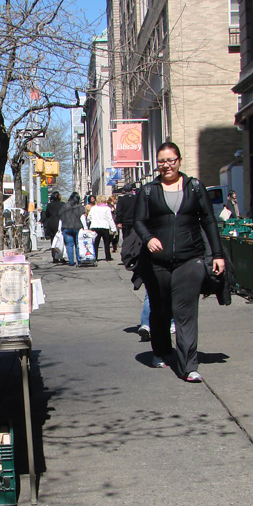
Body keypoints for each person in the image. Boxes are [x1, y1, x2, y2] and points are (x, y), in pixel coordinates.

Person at [134, 142, 225, 382]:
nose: (166, 165)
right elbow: (139, 221)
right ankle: (161, 351)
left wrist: (218, 254)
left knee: (185, 312)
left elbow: (208, 221)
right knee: (161, 309)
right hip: (157, 262)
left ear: (179, 161)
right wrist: (149, 237)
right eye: (162, 161)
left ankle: (189, 366)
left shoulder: (194, 187)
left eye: (170, 160)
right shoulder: (148, 190)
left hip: (190, 258)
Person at [58, 192, 87, 267]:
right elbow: (82, 218)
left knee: (69, 245)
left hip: (66, 227)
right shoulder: (80, 207)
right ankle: (79, 260)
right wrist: (85, 228)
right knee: (78, 244)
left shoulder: (64, 206)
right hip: (77, 227)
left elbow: (60, 219)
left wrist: (59, 229)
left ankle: (71, 261)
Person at [87, 195, 117, 262]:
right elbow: (110, 219)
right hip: (104, 227)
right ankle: (108, 256)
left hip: (95, 226)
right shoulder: (107, 208)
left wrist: (92, 221)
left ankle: (95, 257)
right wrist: (113, 229)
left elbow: (89, 217)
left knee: (96, 243)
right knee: (106, 243)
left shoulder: (93, 208)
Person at [43, 191, 64, 262]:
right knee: (61, 239)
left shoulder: (49, 205)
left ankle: (54, 256)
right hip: (60, 222)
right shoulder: (62, 204)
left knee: (53, 240)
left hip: (52, 223)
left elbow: (47, 214)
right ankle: (62, 256)